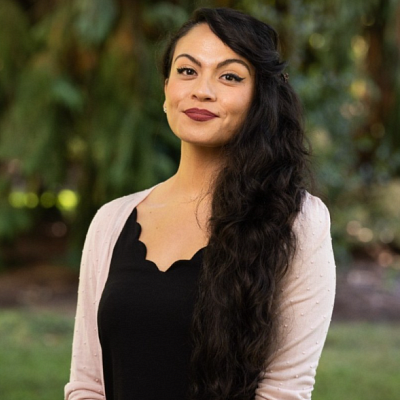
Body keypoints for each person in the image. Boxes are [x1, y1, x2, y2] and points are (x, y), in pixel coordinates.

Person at [65, 7, 335, 400]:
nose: (202, 90)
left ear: (260, 99)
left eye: (229, 76)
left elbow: (284, 392)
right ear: (166, 90)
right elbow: (87, 383)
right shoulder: (111, 221)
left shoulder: (297, 219)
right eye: (187, 71)